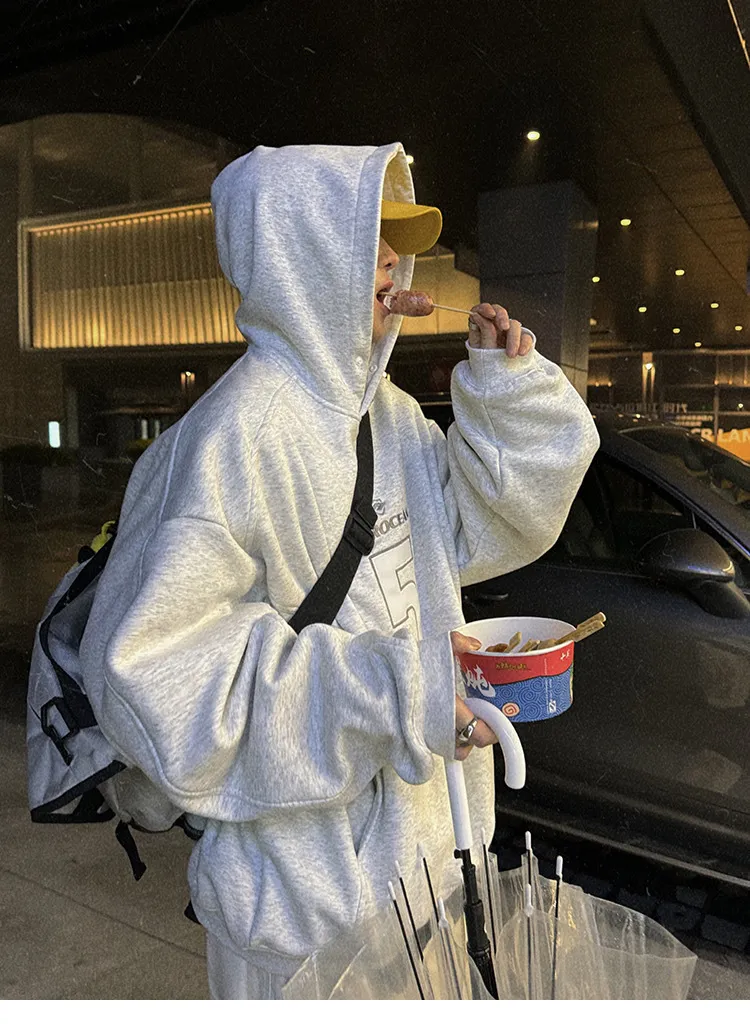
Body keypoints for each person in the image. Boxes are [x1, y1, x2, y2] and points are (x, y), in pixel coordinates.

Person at [80, 142, 599, 999]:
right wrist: (400, 694)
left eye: (397, 251)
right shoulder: (230, 441)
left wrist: (511, 396)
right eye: (369, 245)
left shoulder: (386, 417)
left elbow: (483, 530)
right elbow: (153, 679)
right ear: (301, 255)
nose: (394, 268)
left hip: (427, 883)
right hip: (303, 926)